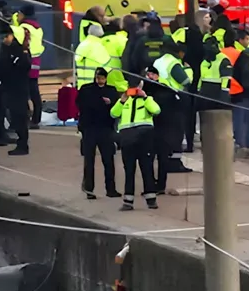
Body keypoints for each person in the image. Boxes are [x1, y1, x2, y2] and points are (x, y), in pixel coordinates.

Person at [111, 77, 163, 211]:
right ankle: (128, 201)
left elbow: (156, 110)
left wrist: (145, 97)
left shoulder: (147, 100)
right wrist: (122, 100)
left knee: (147, 168)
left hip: (144, 137)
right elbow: (113, 113)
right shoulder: (124, 101)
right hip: (127, 138)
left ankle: (151, 199)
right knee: (129, 170)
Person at [146, 42, 191, 184]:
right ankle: (174, 163)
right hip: (174, 100)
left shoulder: (158, 61)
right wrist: (188, 70)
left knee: (161, 136)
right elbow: (185, 80)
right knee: (176, 133)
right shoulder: (174, 63)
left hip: (158, 100)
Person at [76, 68, 120, 200]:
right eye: (98, 78)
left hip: (105, 128)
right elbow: (80, 103)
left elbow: (117, 107)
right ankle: (89, 189)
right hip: (89, 128)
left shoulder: (111, 91)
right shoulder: (86, 89)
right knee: (89, 160)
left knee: (108, 160)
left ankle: (111, 189)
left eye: (102, 78)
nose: (100, 80)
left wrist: (110, 103)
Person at [0, 29, 34, 155]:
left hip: (18, 88)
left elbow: (20, 66)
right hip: (15, 87)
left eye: (7, 36)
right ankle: (21, 143)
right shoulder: (12, 50)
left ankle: (23, 144)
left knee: (20, 116)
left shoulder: (19, 51)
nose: (4, 39)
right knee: (17, 116)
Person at [17, 6, 45, 126]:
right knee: (34, 92)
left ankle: (25, 118)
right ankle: (36, 119)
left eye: (19, 14)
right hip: (36, 61)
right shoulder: (37, 28)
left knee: (23, 92)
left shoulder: (24, 28)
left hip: (26, 61)